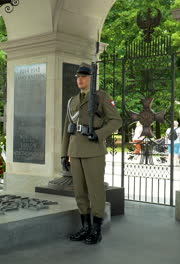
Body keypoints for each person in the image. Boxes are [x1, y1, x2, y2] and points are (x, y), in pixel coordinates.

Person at [61, 63, 122, 245]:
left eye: (84, 76)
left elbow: (116, 120)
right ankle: (85, 227)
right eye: (78, 77)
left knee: (95, 191)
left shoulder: (101, 97)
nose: (80, 79)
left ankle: (96, 229)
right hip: (76, 150)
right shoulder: (72, 101)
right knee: (79, 191)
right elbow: (67, 129)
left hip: (93, 150)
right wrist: (64, 154)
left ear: (91, 78)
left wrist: (99, 134)